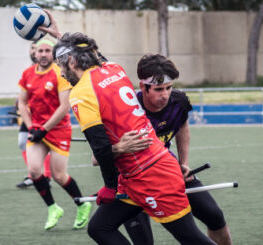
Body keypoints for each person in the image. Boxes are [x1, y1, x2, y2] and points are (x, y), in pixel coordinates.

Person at [40, 15, 214, 243]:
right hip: (137, 175)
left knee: (191, 238)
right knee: (99, 227)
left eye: (61, 66)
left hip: (152, 176)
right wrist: (61, 37)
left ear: (72, 62)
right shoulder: (114, 69)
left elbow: (100, 147)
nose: (61, 73)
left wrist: (110, 187)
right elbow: (93, 55)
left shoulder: (81, 93)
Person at [114, 54, 233, 245]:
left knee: (215, 216)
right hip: (134, 183)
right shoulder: (127, 111)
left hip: (169, 171)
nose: (165, 95)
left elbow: (183, 126)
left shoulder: (179, 102)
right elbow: (101, 155)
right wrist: (118, 148)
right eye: (158, 89)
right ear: (142, 86)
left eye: (169, 88)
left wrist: (184, 163)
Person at [17, 38, 92, 230]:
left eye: (47, 51)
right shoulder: (27, 74)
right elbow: (22, 103)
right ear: (34, 53)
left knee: (59, 175)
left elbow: (64, 106)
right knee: (34, 171)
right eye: (39, 51)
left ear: (53, 53)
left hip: (58, 129)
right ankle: (53, 208)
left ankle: (82, 204)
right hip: (37, 130)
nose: (43, 54)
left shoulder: (59, 73)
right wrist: (31, 125)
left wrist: (44, 129)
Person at [15, 43, 52, 188]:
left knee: (44, 144)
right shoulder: (30, 70)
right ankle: (34, 174)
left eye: (45, 50)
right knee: (22, 142)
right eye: (34, 49)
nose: (40, 52)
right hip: (29, 115)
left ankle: (46, 176)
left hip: (43, 115)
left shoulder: (51, 69)